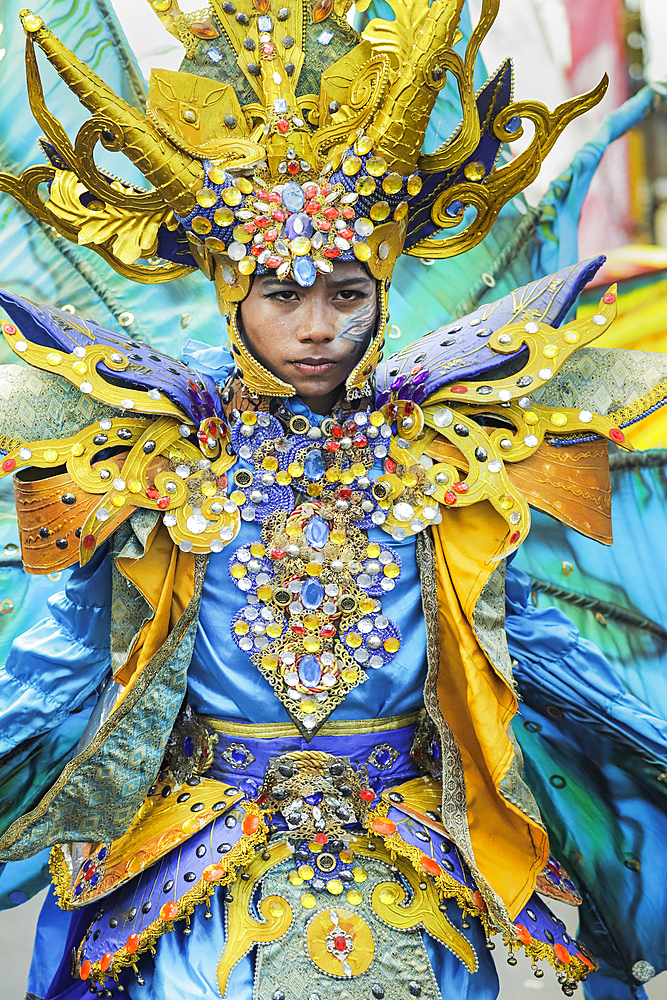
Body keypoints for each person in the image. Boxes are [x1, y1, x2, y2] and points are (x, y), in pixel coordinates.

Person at [0, 2, 665, 999]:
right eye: (283, 295)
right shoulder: (137, 449)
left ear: (383, 292)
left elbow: (533, 652)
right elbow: (55, 666)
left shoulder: (457, 445)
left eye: (345, 295)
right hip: (186, 898)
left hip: (410, 883)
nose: (316, 328)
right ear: (232, 293)